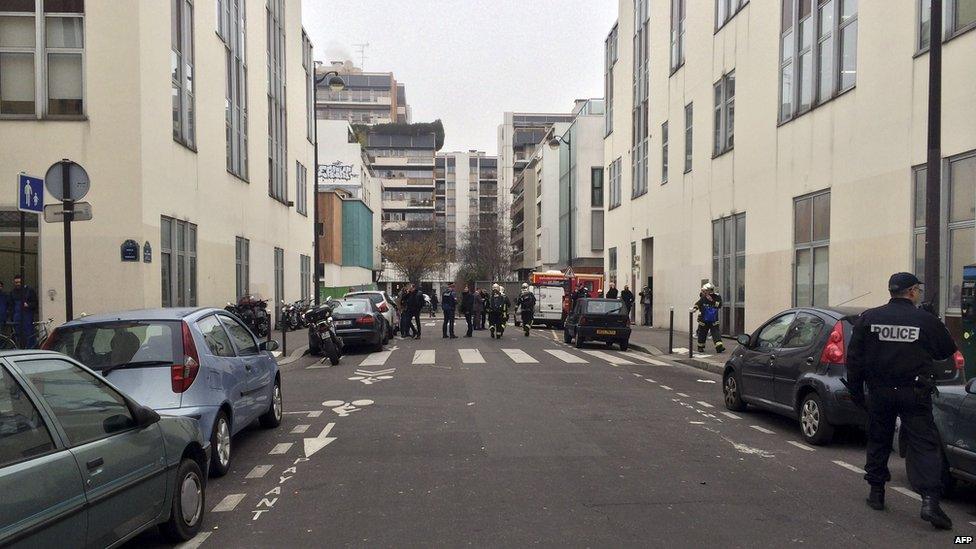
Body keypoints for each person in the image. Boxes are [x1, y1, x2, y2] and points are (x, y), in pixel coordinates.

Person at [846, 272, 956, 530]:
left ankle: (876, 492)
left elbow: (854, 360)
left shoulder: (870, 317)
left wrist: (856, 392)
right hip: (914, 392)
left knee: (878, 439)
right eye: (917, 289)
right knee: (924, 446)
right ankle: (930, 501)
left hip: (880, 391)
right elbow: (945, 351)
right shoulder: (924, 319)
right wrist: (933, 323)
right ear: (912, 292)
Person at [691, 283, 724, 353]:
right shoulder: (703, 297)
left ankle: (719, 347)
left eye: (705, 290)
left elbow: (719, 305)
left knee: (716, 333)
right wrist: (695, 308)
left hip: (713, 319)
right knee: (702, 333)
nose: (704, 292)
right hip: (704, 320)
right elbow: (698, 303)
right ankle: (700, 347)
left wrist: (712, 300)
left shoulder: (717, 296)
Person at [10, 275, 38, 349]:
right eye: (16, 282)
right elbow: (11, 306)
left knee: (29, 334)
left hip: (27, 317)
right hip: (17, 317)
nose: (18, 284)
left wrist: (28, 305)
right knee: (17, 335)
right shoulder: (13, 292)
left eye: (19, 282)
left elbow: (35, 303)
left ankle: (30, 350)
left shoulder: (29, 290)